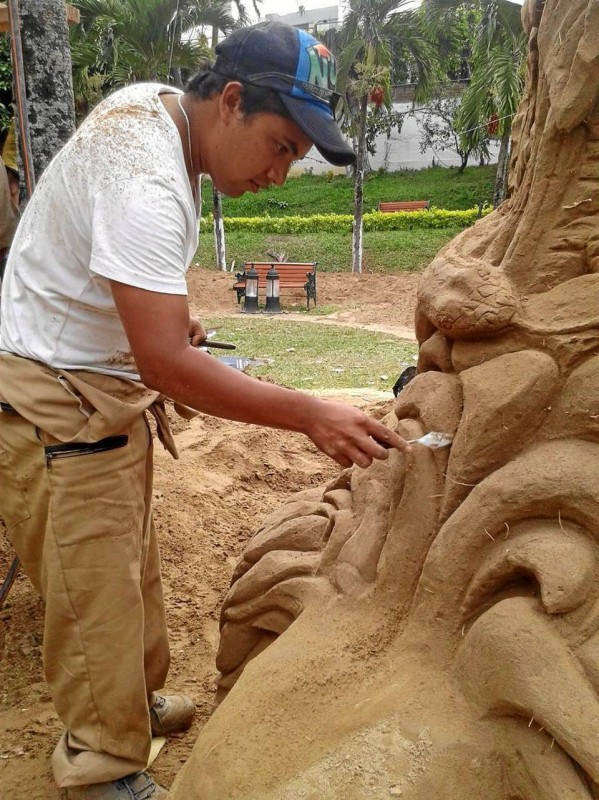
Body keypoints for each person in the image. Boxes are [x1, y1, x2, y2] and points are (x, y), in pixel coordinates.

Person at [0, 20, 410, 800]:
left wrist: (164, 315)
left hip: (96, 387)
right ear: (230, 101)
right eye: (282, 147)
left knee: (128, 571)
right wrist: (306, 413)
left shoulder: (156, 114)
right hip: (60, 402)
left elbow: (110, 267)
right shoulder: (147, 179)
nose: (281, 174)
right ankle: (100, 763)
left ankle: (130, 704)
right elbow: (165, 364)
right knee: (94, 587)